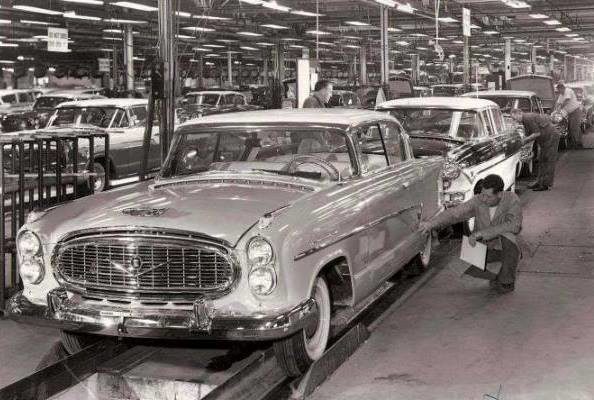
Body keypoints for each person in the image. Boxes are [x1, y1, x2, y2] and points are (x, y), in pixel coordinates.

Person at [419, 175, 522, 294]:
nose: (483, 199)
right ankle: (497, 277)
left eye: (488, 196)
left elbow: (514, 225)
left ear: (499, 194)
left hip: (502, 244)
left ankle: (506, 281)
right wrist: (431, 224)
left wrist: (481, 233)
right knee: (457, 267)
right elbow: (455, 213)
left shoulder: (511, 199)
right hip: (483, 245)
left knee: (508, 238)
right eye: (482, 194)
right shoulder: (478, 201)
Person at [510, 108, 560, 191]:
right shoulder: (525, 121)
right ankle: (539, 182)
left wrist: (524, 141)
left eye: (515, 118)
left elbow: (537, 133)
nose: (515, 121)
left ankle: (545, 184)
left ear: (519, 113)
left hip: (551, 137)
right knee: (542, 160)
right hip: (545, 139)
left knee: (548, 161)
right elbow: (530, 135)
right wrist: (527, 149)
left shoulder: (527, 118)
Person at [555, 82, 583, 149]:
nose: (558, 91)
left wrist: (560, 107)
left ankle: (576, 144)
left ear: (562, 88)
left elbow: (567, 100)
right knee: (571, 128)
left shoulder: (568, 91)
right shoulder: (561, 94)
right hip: (570, 113)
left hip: (575, 111)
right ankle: (576, 143)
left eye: (559, 90)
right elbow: (557, 103)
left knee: (574, 127)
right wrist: (555, 110)